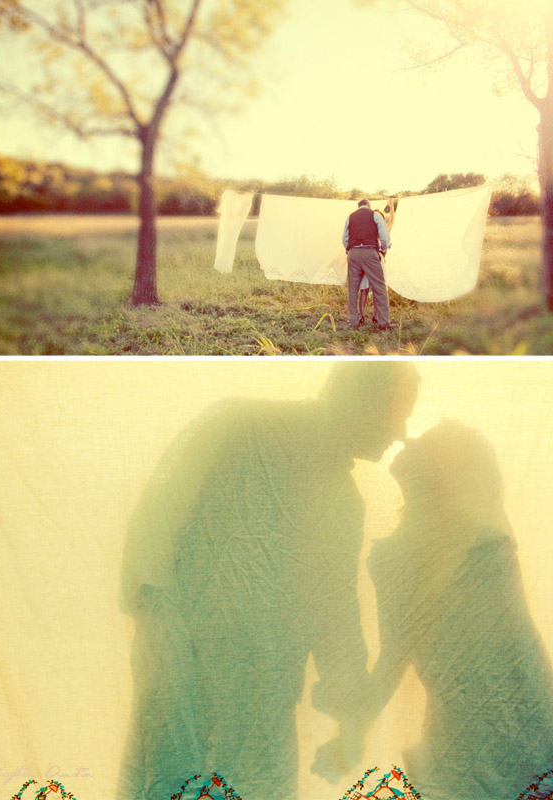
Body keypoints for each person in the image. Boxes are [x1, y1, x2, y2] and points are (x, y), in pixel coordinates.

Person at [118, 362, 420, 800]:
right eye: (399, 412)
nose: (403, 433)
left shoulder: (343, 503)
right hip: (183, 677)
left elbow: (336, 618)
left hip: (261, 707)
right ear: (364, 402)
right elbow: (153, 527)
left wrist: (353, 724)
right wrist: (163, 643)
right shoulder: (237, 424)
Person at [363, 421, 553, 800]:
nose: (408, 443)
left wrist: (350, 711)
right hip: (517, 736)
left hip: (487, 742)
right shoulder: (483, 551)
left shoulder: (453, 554)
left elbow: (392, 662)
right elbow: (524, 663)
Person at [342, 198, 393, 330]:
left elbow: (345, 239)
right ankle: (383, 322)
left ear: (358, 206)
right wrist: (382, 248)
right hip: (369, 251)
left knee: (353, 288)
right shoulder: (374, 215)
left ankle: (354, 321)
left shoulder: (350, 217)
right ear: (369, 205)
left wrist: (350, 250)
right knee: (379, 286)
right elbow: (385, 236)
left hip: (353, 253)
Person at [358, 199, 395, 325]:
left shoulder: (371, 229)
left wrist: (390, 206)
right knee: (376, 289)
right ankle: (374, 316)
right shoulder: (381, 231)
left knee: (365, 289)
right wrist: (391, 206)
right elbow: (391, 221)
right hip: (377, 259)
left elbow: (391, 221)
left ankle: (362, 316)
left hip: (367, 258)